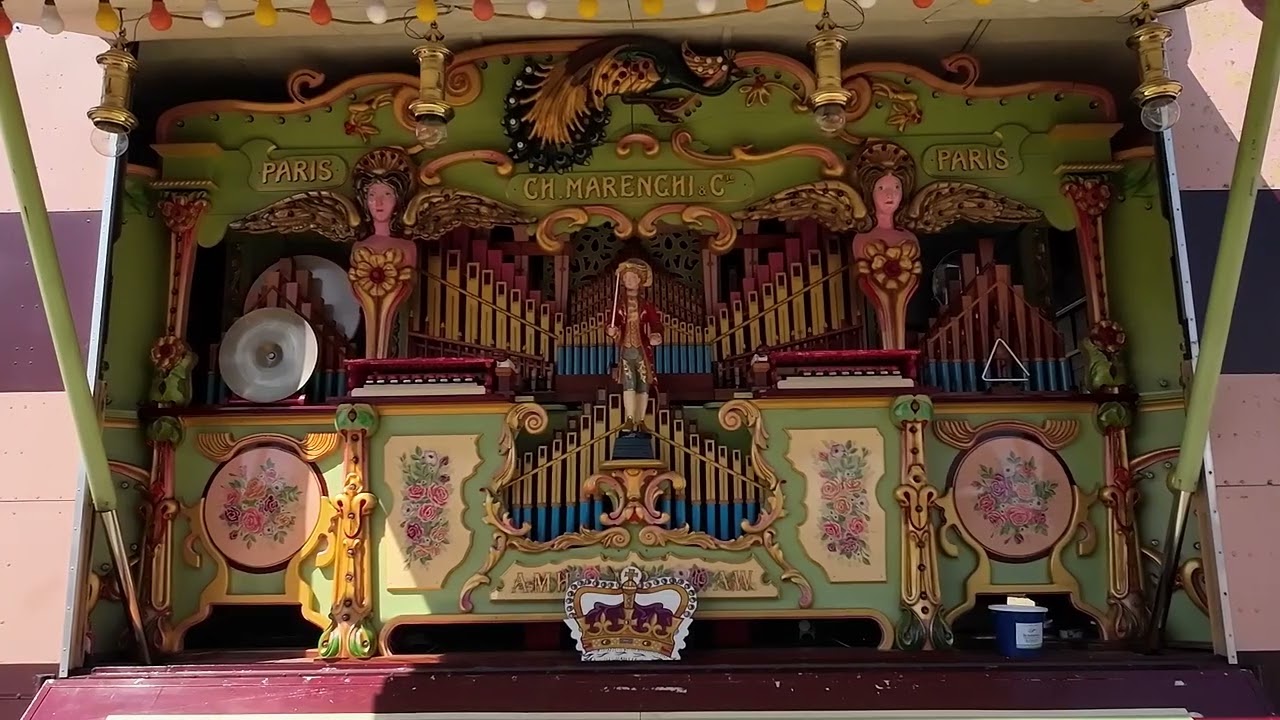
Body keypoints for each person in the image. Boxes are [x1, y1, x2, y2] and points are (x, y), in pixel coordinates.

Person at [605, 259, 663, 431]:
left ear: (640, 281)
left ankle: (641, 419)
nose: (628, 281)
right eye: (626, 278)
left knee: (644, 382)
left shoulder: (646, 305)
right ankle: (630, 418)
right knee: (629, 382)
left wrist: (656, 334)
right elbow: (611, 323)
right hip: (626, 348)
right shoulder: (619, 304)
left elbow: (657, 324)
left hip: (642, 348)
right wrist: (611, 330)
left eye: (632, 277)